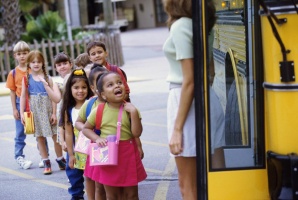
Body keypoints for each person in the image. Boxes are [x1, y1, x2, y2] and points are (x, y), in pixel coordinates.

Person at [82, 72, 147, 199]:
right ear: (103, 95)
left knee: (132, 195)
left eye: (119, 82)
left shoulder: (131, 109)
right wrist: (97, 138)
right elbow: (86, 129)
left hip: (127, 154)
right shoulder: (99, 110)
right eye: (110, 85)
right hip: (108, 156)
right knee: (112, 195)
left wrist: (133, 113)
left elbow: (137, 133)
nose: (117, 86)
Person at [162, 0, 197, 199]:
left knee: (187, 185)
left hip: (184, 101)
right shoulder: (199, 22)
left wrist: (177, 129)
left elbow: (189, 80)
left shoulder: (181, 25)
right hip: (196, 100)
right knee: (200, 182)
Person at [19, 50, 65, 175]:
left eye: (38, 62)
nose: (36, 64)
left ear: (43, 63)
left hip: (49, 110)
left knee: (56, 136)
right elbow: (23, 96)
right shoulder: (26, 79)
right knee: (40, 138)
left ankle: (60, 159)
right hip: (36, 112)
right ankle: (46, 162)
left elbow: (53, 98)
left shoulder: (48, 78)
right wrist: (22, 112)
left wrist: (54, 113)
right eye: (33, 62)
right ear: (29, 64)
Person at [75, 64, 108, 200]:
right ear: (93, 88)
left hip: (111, 147)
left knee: (106, 182)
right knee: (91, 177)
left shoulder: (117, 104)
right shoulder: (89, 104)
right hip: (93, 148)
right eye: (99, 81)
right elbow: (78, 122)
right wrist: (87, 130)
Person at [60, 68, 93, 200]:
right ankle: (77, 195)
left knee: (92, 175)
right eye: (76, 87)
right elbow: (68, 133)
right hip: (76, 147)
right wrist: (71, 154)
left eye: (84, 87)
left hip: (91, 146)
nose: (80, 91)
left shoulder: (91, 105)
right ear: (70, 89)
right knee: (73, 173)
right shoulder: (68, 109)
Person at [5, 41, 33, 169]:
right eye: (19, 54)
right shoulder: (13, 73)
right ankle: (19, 157)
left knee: (39, 132)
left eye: (25, 53)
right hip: (19, 104)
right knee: (20, 132)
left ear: (29, 54)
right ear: (15, 56)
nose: (22, 56)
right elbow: (12, 91)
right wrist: (14, 109)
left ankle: (44, 157)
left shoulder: (33, 69)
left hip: (33, 102)